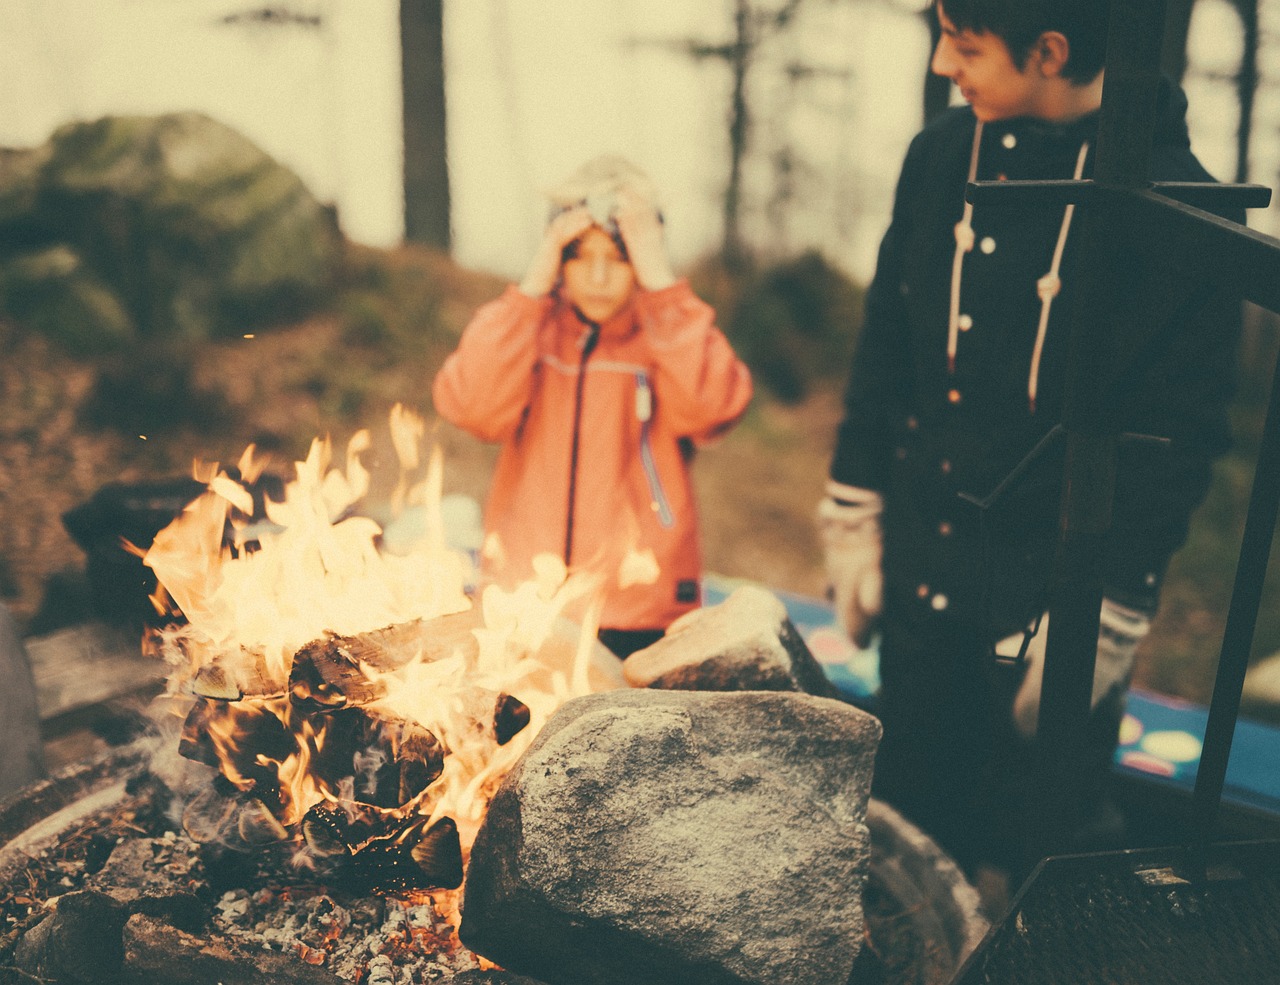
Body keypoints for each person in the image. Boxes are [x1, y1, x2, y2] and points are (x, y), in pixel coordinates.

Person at [820, 0, 1239, 875]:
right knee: (896, 849)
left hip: (1054, 604)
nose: (942, 65)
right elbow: (885, 344)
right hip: (923, 581)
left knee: (1031, 864)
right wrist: (852, 506)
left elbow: (1180, 440)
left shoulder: (1181, 202)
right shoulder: (939, 155)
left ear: (1049, 51)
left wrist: (1112, 614)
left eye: (965, 46)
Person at [433, 156, 753, 658]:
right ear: (558, 257)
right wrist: (532, 287)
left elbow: (714, 407)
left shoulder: (665, 335)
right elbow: (472, 406)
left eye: (620, 256)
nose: (599, 276)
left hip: (639, 611)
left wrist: (661, 284)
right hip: (525, 603)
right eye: (580, 255)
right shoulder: (531, 333)